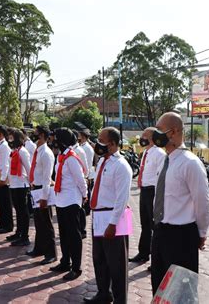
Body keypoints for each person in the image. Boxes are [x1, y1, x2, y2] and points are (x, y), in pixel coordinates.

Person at [150, 112, 209, 295]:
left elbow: (202, 202)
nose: (155, 134)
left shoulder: (190, 163)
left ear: (173, 132)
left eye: (159, 130)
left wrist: (202, 233)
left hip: (182, 236)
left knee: (181, 291)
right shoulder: (165, 160)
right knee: (159, 287)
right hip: (161, 231)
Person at [84, 127, 132, 304]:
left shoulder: (121, 166)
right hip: (98, 217)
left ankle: (121, 300)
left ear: (112, 144)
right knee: (100, 259)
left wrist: (113, 224)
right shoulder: (102, 163)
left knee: (117, 264)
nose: (97, 143)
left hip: (112, 218)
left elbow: (122, 198)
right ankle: (104, 294)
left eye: (101, 140)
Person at [50, 128, 87, 281]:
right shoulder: (61, 156)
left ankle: (76, 267)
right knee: (64, 233)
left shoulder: (71, 158)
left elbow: (80, 179)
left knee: (74, 235)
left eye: (56, 138)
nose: (53, 141)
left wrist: (85, 195)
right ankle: (65, 261)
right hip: (61, 199)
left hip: (72, 200)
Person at [129, 127, 166, 268]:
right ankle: (143, 253)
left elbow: (160, 177)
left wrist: (158, 197)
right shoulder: (146, 153)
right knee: (145, 223)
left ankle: (158, 259)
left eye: (144, 136)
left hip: (153, 192)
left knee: (155, 226)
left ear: (151, 138)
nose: (141, 138)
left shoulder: (159, 154)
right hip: (144, 191)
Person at [26, 125, 57, 265]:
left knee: (46, 222)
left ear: (43, 135)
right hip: (35, 188)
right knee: (38, 222)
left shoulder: (46, 153)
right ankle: (39, 248)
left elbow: (46, 177)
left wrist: (44, 197)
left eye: (36, 133)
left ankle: (51, 253)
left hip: (42, 190)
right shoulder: (38, 151)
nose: (34, 135)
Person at [7, 129, 31, 246]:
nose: (9, 139)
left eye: (11, 137)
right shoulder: (14, 151)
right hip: (14, 184)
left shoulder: (23, 152)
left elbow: (28, 168)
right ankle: (19, 232)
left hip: (22, 185)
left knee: (23, 211)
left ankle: (25, 236)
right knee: (17, 210)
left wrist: (31, 183)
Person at [0, 125, 14, 234]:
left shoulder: (4, 146)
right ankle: (2, 223)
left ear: (0, 134)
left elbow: (6, 164)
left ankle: (8, 225)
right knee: (1, 202)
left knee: (5, 202)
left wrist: (3, 178)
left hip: (2, 176)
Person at [71, 129, 89, 239]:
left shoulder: (80, 151)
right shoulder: (74, 150)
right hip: (75, 182)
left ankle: (82, 230)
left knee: (81, 209)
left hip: (80, 181)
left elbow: (85, 169)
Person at [78, 129, 95, 215]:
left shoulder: (86, 148)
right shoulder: (83, 146)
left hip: (87, 173)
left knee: (87, 192)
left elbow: (87, 162)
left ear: (83, 136)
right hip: (86, 173)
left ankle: (87, 210)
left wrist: (86, 175)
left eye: (79, 135)